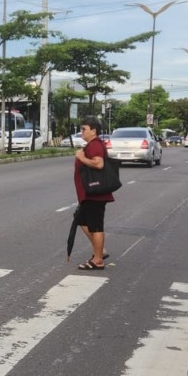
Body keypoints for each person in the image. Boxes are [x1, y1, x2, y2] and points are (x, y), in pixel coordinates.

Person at [73, 116, 112, 270]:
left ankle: (98, 260)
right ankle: (100, 250)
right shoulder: (91, 144)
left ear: (93, 131)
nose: (81, 131)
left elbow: (98, 163)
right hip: (88, 193)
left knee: (95, 226)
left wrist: (81, 157)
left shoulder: (95, 144)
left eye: (84, 129)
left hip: (94, 193)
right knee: (81, 220)